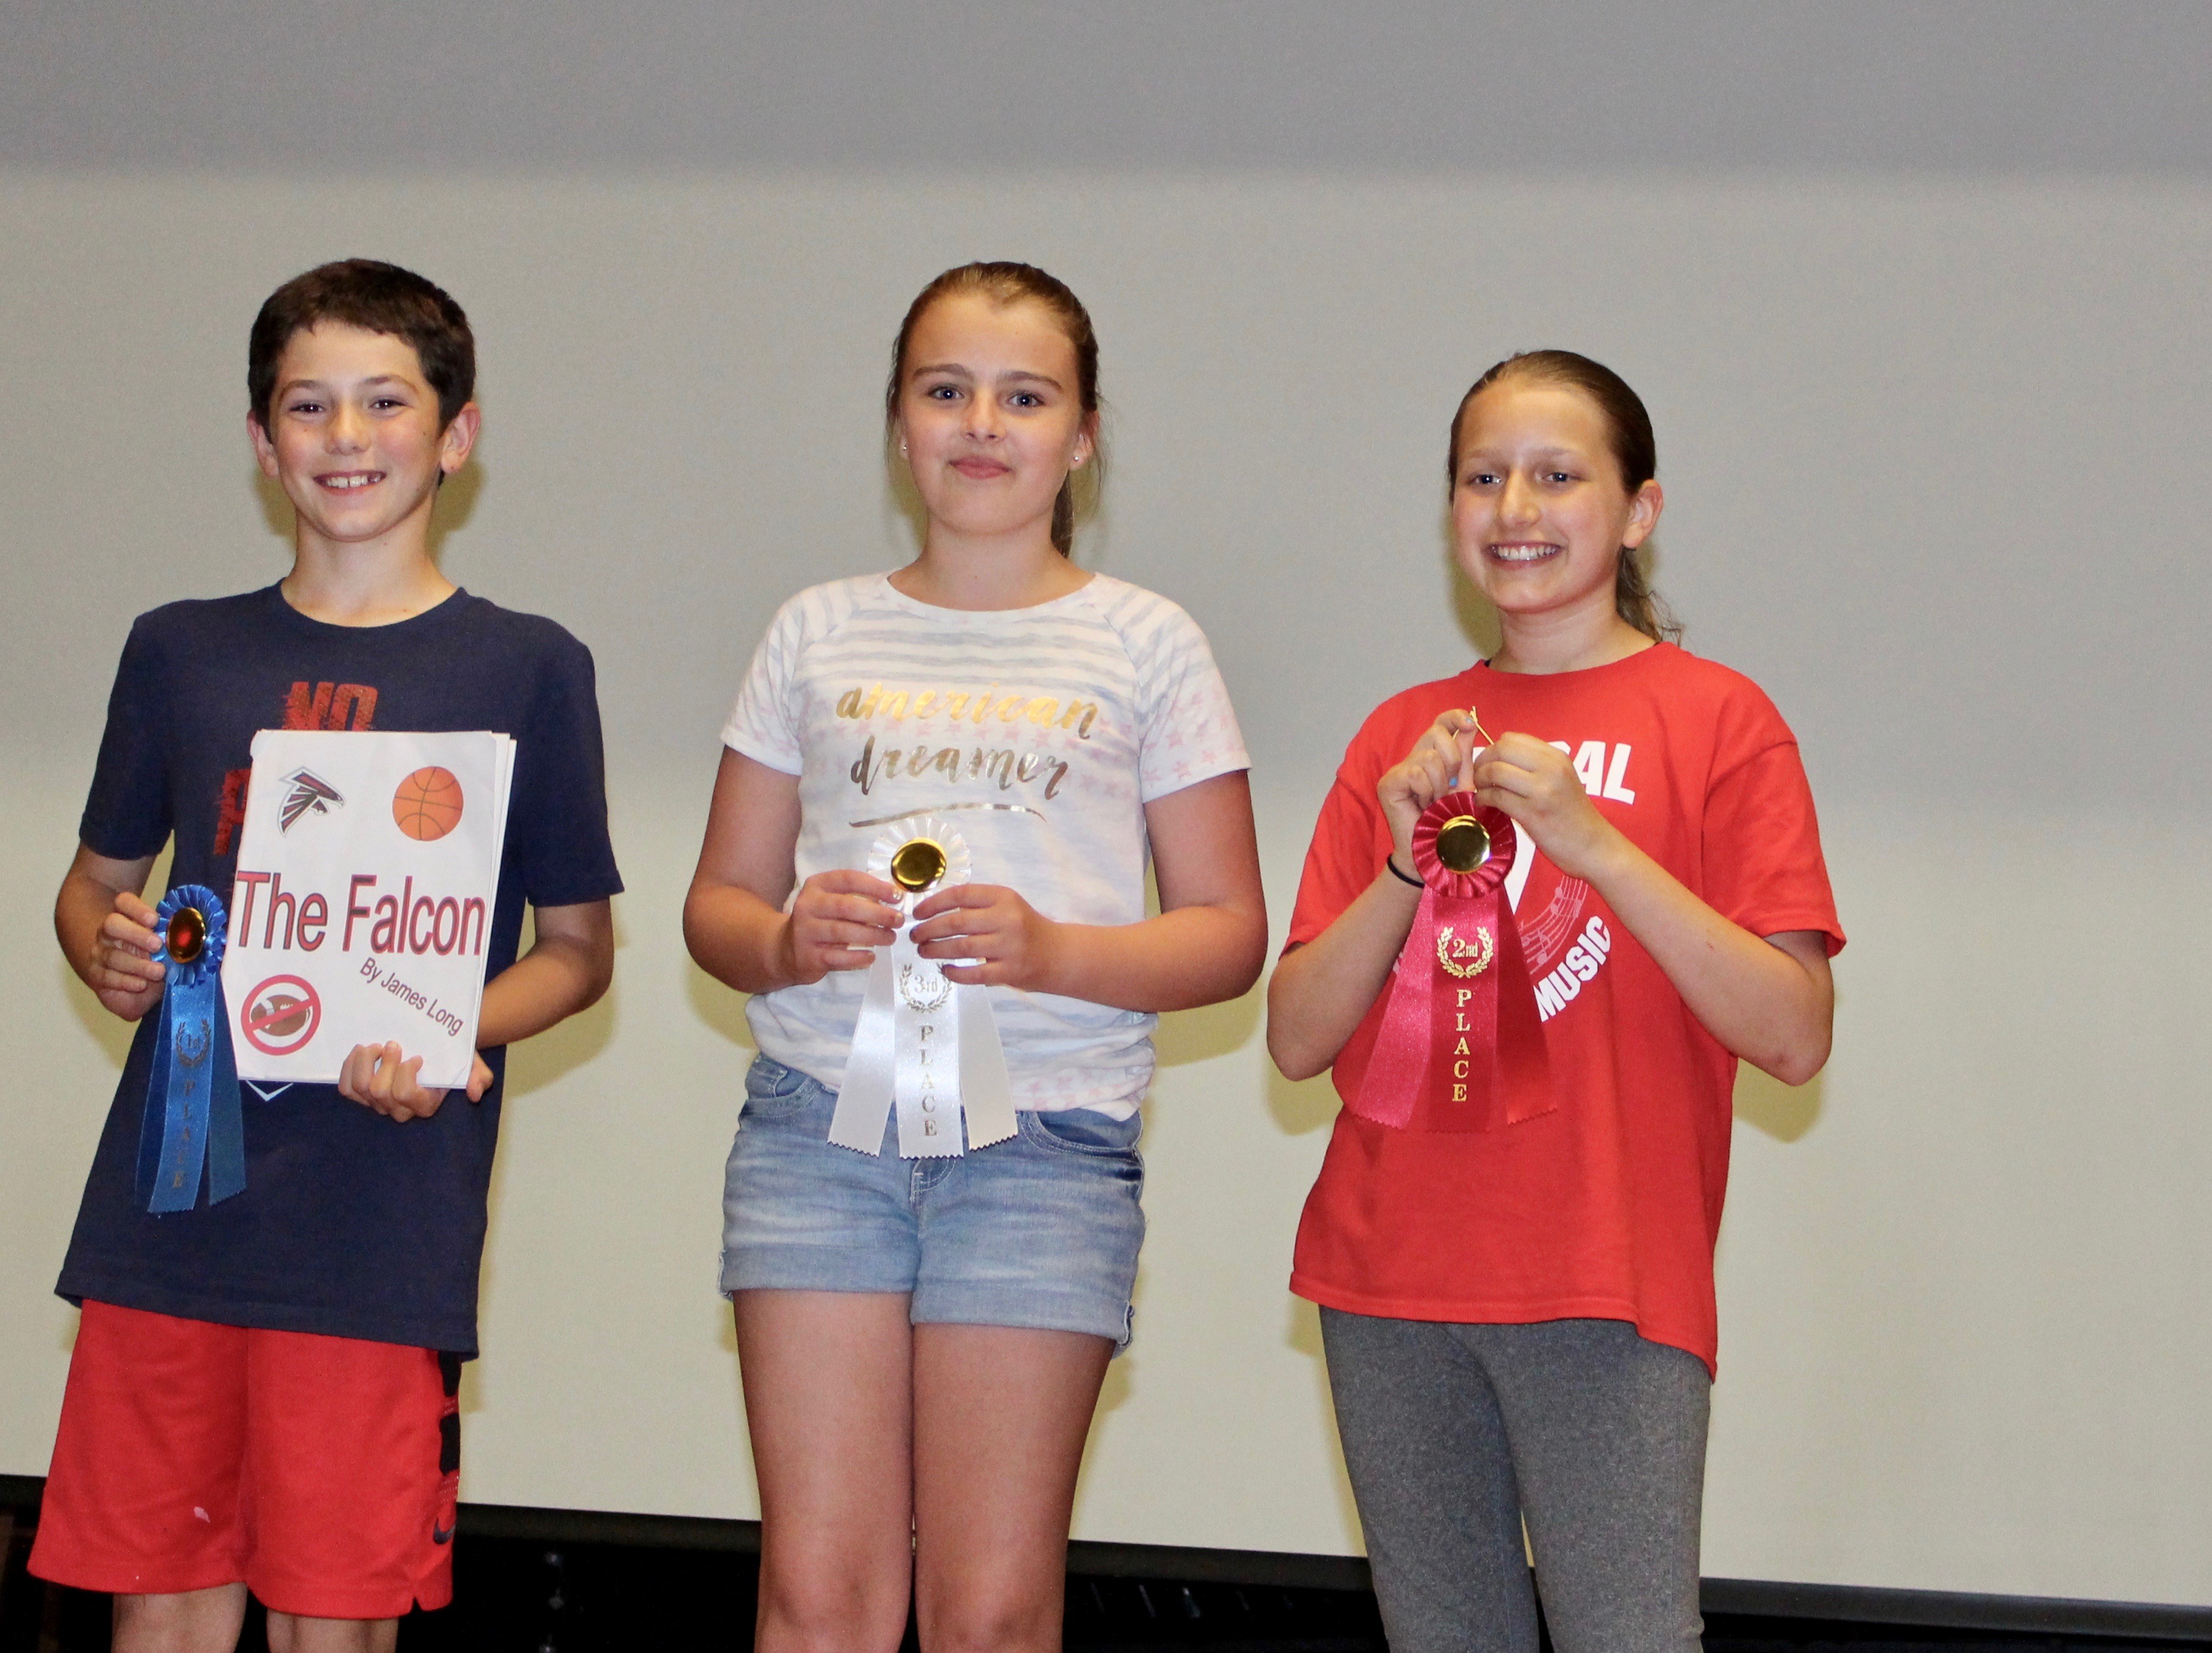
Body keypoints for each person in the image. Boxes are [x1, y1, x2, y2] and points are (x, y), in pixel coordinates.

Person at [29, 259, 621, 1653]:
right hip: (170, 1205)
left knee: (335, 1614)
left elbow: (580, 949)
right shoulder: (179, 651)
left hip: (375, 1216)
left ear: (455, 434)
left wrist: (448, 1031)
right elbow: (93, 890)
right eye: (309, 406)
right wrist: (109, 954)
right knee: (159, 1606)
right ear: (261, 440)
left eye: (384, 403)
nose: (346, 440)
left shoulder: (527, 664)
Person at [684, 261, 1266, 1653]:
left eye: (1024, 395)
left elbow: (1230, 933)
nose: (981, 424)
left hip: (1043, 1149)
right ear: (898, 424)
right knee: (816, 1599)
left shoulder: (1148, 643)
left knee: (992, 1609)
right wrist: (779, 937)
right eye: (944, 391)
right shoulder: (812, 630)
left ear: (1082, 432)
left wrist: (1055, 949)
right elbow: (715, 904)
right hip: (816, 1135)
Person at [1267, 351, 1843, 1652]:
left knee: (1627, 1637)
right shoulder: (1401, 734)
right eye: (1481, 477)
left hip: (1604, 1275)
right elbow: (1297, 1037)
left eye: (1554, 474)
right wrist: (1405, 868)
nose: (1512, 507)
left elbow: (1793, 1031)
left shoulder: (1719, 720)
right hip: (1388, 1273)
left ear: (1637, 509)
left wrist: (1596, 846)